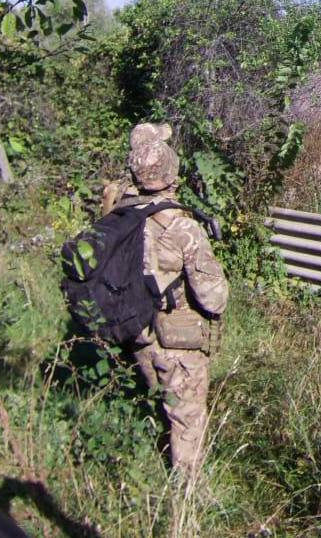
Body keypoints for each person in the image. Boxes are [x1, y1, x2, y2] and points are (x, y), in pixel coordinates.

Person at [107, 122, 229, 476]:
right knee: (186, 421)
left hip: (138, 334)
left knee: (162, 404)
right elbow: (213, 299)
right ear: (172, 171)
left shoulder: (120, 216)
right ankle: (187, 501)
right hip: (177, 342)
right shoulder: (182, 227)